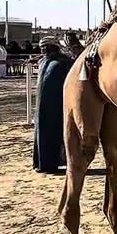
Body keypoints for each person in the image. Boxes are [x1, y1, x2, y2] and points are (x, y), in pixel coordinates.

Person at [33, 36, 75, 175]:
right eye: (42, 47)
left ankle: (54, 164)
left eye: (45, 46)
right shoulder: (43, 62)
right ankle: (42, 163)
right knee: (41, 133)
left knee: (55, 133)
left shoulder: (64, 62)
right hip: (42, 104)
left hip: (58, 104)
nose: (43, 49)